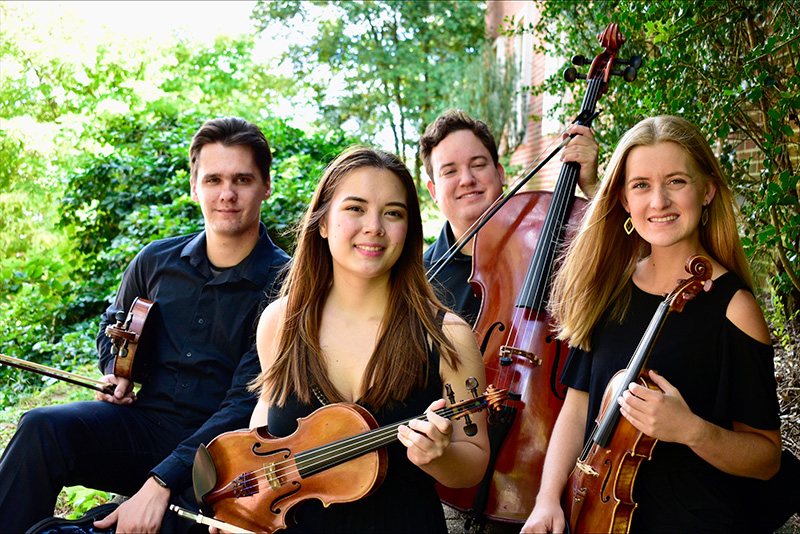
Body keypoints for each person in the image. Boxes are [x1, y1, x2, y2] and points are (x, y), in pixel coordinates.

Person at [0, 116, 291, 533]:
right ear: (194, 187)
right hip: (143, 427)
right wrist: (114, 372)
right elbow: (113, 326)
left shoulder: (286, 283)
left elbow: (245, 404)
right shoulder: (155, 260)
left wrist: (160, 482)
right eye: (213, 180)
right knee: (41, 429)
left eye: (242, 180)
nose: (226, 194)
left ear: (265, 186)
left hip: (220, 454)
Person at [521, 115, 783, 533]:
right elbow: (576, 406)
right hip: (596, 515)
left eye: (676, 181)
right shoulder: (608, 290)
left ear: (708, 190)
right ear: (624, 199)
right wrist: (548, 499)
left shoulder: (734, 308)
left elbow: (768, 459)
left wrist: (691, 430)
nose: (657, 201)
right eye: (641, 185)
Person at [247, 147, 491, 533]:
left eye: (393, 213)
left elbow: (473, 464)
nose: (374, 226)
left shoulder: (446, 336)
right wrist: (248, 504)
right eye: (355, 208)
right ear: (323, 222)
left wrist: (437, 456)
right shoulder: (280, 323)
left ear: (408, 229)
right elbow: (265, 428)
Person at [419, 109, 599, 326]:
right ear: (433, 192)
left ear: (500, 173)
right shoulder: (422, 280)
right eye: (449, 172)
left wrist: (593, 188)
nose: (466, 179)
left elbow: (629, 261)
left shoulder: (549, 236)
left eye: (478, 165)